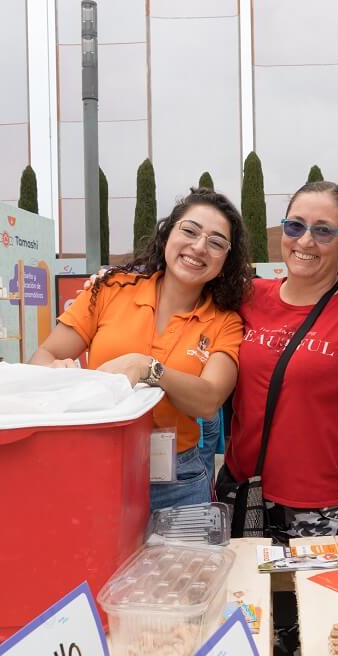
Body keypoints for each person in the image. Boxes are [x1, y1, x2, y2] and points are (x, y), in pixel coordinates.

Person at [30, 188, 251, 511]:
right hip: (96, 466)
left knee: (184, 564)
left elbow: (208, 399)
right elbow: (43, 357)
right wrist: (58, 373)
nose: (199, 247)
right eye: (189, 231)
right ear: (168, 234)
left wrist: (147, 367)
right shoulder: (111, 290)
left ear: (225, 260)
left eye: (216, 242)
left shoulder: (225, 321)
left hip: (180, 481)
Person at [217, 180, 338, 550]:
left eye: (323, 231)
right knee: (247, 607)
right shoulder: (249, 296)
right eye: (295, 226)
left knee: (314, 609)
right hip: (242, 493)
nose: (304, 241)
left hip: (321, 510)